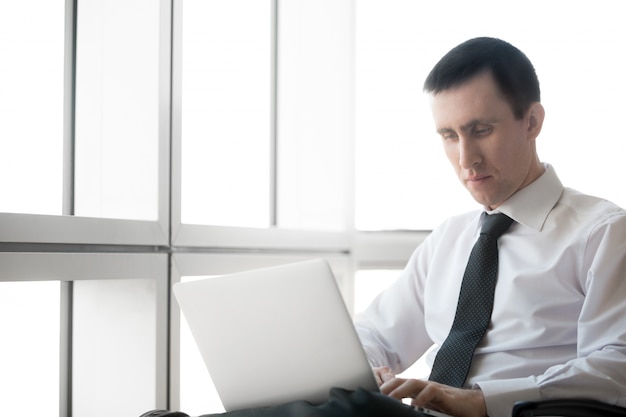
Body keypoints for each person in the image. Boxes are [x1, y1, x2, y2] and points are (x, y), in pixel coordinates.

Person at [354, 37, 626, 417]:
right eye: (449, 136)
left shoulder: (602, 234)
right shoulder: (449, 239)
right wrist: (366, 369)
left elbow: (619, 364)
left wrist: (484, 401)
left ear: (531, 122)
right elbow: (375, 335)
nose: (466, 159)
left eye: (481, 130)